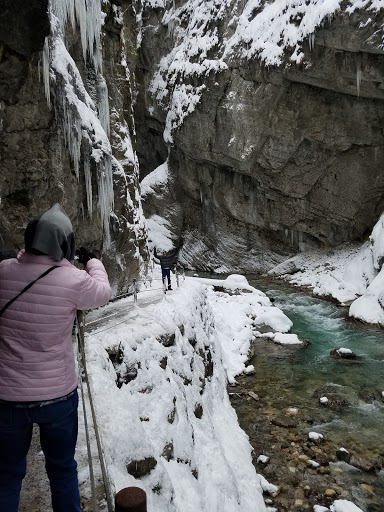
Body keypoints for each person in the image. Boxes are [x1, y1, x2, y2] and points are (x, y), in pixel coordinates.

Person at [0, 203, 112, 512]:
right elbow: (103, 291)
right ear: (65, 244)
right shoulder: (73, 282)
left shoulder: (3, 272)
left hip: (7, 395)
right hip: (57, 398)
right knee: (62, 469)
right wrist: (92, 262)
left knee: (7, 475)